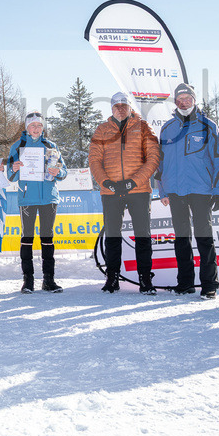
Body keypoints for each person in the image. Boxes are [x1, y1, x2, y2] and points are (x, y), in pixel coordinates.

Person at [158, 83, 219, 299]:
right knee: (181, 239)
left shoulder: (208, 126)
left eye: (187, 98)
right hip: (175, 192)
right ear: (175, 102)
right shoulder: (167, 128)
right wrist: (162, 191)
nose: (184, 102)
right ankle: (185, 283)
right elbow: (160, 166)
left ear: (194, 100)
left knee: (204, 238)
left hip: (201, 190)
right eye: (179, 99)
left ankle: (209, 284)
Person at [89, 93, 162, 294]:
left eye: (124, 105)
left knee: (142, 235)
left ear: (130, 107)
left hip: (138, 190)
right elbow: (94, 160)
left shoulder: (144, 127)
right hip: (111, 191)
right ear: (111, 109)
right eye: (116, 106)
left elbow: (153, 158)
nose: (120, 109)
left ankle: (145, 278)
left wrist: (133, 181)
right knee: (112, 234)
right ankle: (112, 277)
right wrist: (106, 182)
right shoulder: (102, 130)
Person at [6, 112, 68, 294]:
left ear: (42, 128)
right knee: (27, 239)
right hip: (27, 198)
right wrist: (14, 168)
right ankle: (28, 281)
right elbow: (10, 175)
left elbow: (64, 170)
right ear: (26, 127)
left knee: (47, 239)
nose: (36, 128)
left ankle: (49, 280)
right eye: (32, 125)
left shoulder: (51, 146)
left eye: (39, 126)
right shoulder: (18, 147)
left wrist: (58, 172)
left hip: (49, 197)